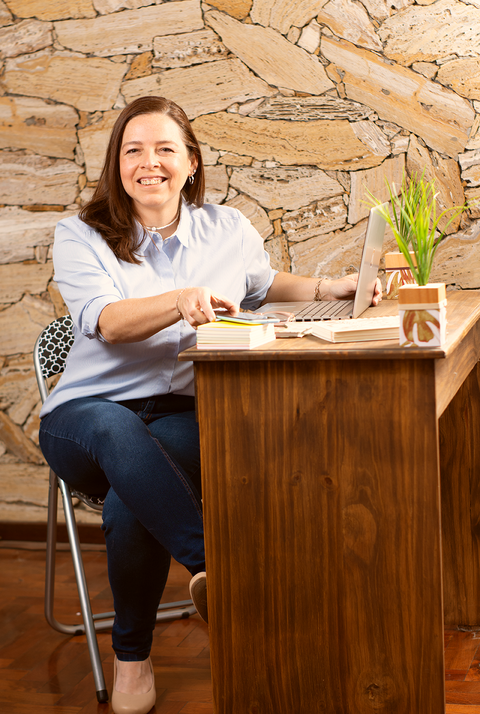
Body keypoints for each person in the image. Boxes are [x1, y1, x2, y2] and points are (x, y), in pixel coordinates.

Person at [38, 95, 382, 714]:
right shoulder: (80, 234)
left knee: (130, 497)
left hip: (181, 417)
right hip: (86, 417)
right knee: (116, 430)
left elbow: (262, 286)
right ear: (117, 163)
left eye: (164, 149)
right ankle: (219, 573)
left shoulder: (228, 228)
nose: (148, 162)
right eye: (133, 150)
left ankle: (132, 658)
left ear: (191, 162)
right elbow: (108, 322)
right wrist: (179, 300)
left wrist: (330, 286)